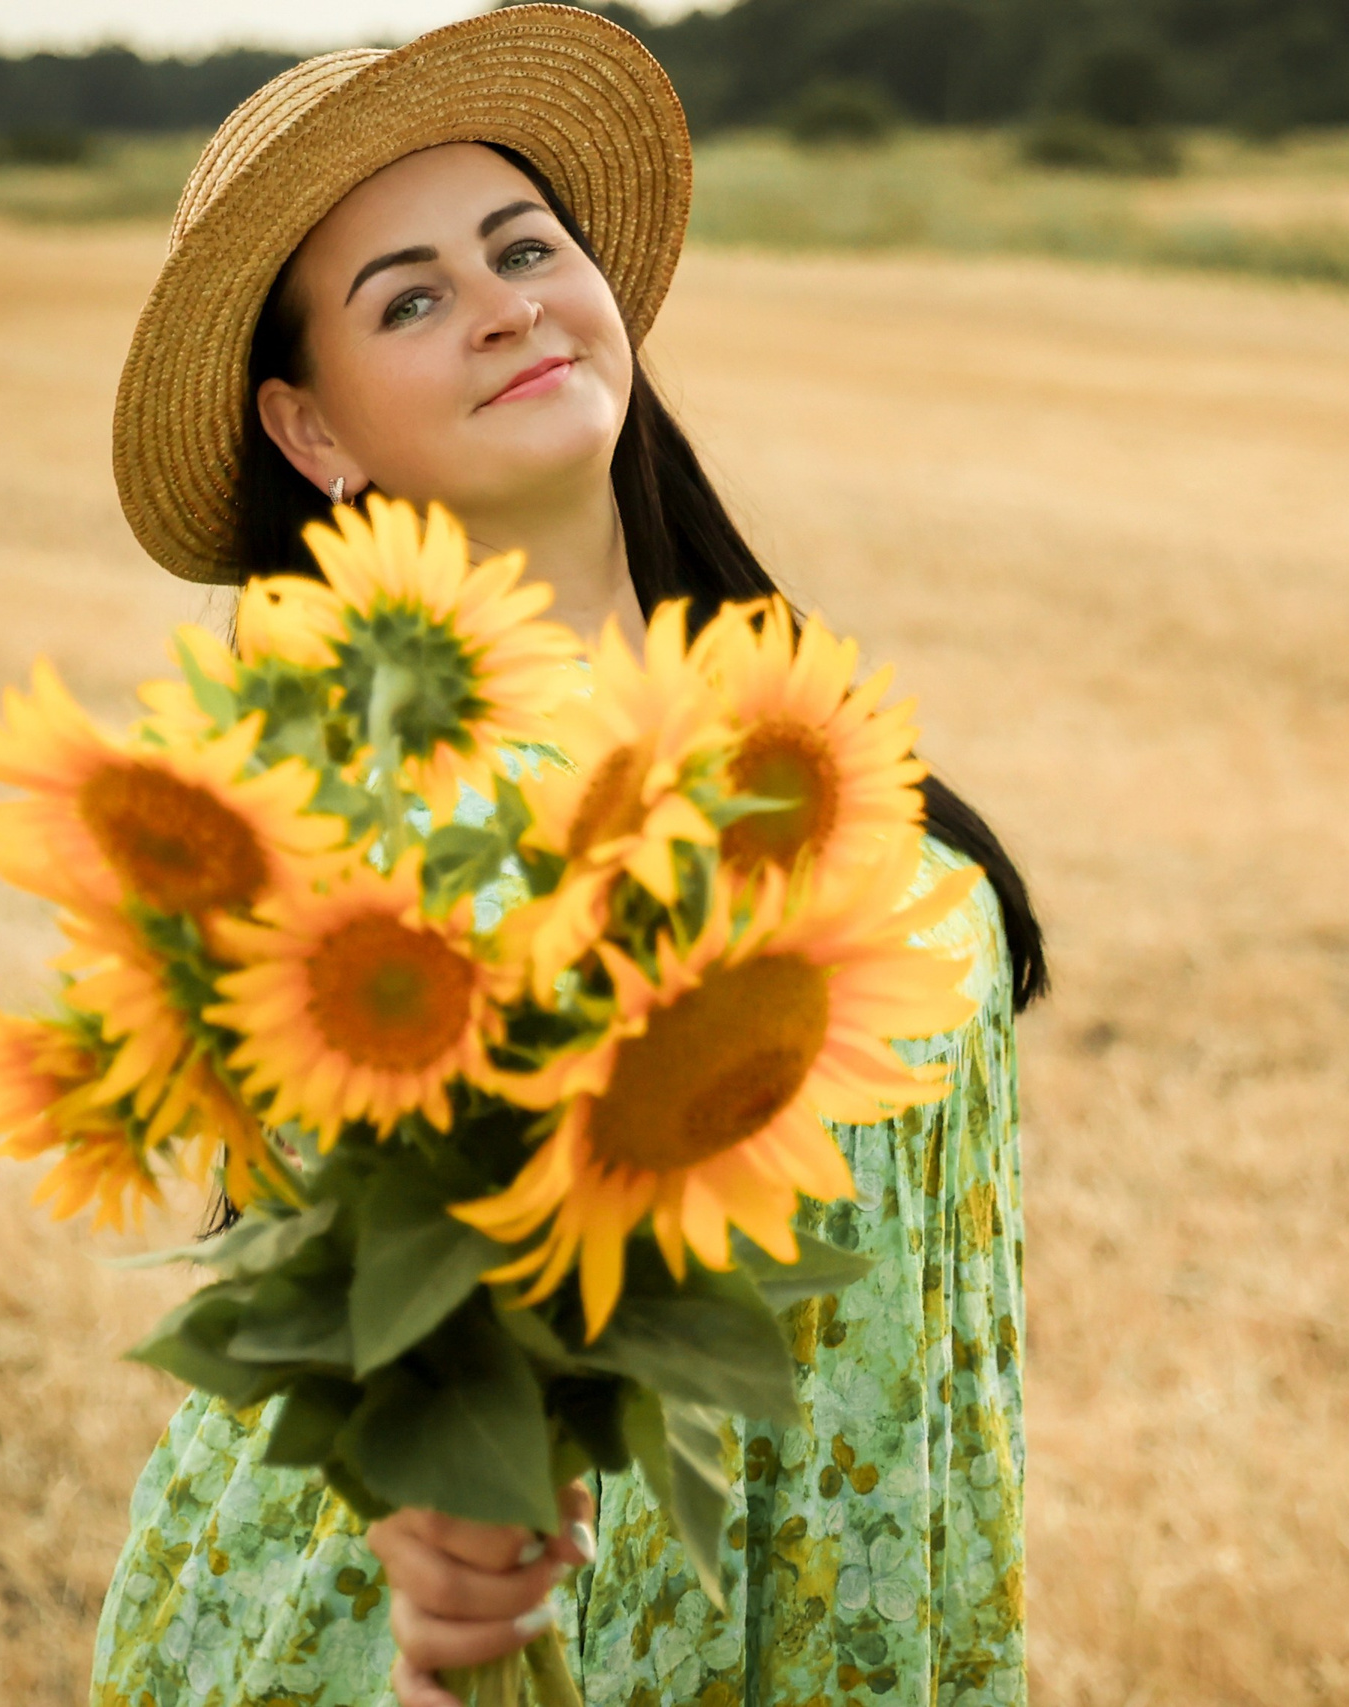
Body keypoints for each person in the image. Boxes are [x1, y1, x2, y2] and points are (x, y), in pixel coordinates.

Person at [88, 11, 1048, 1706]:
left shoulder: (777, 708)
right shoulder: (353, 811)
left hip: (851, 1562)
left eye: (524, 248)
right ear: (313, 434)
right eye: (410, 299)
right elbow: (400, 1294)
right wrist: (445, 1554)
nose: (504, 303)